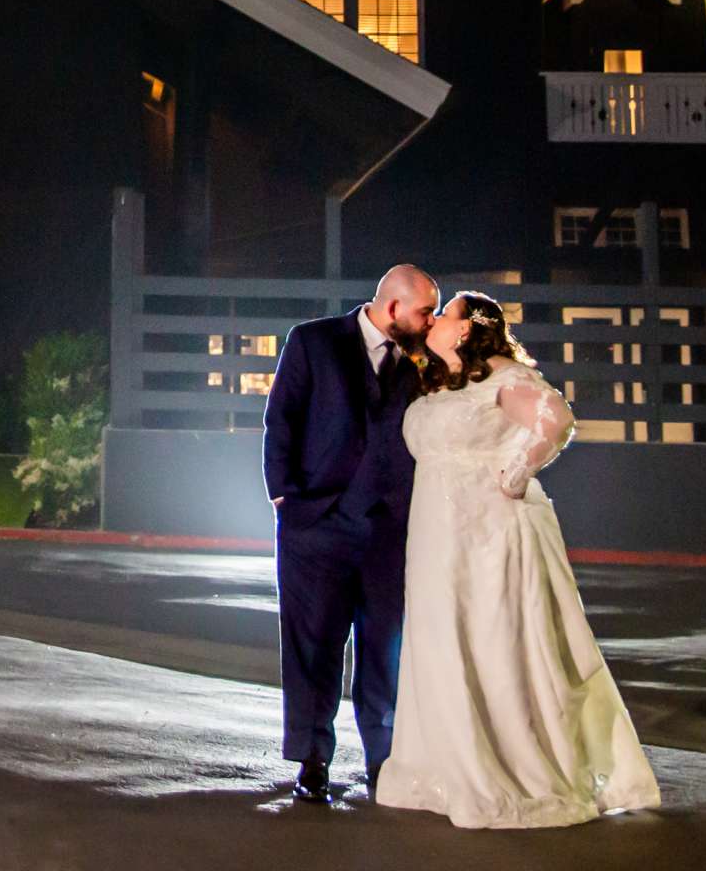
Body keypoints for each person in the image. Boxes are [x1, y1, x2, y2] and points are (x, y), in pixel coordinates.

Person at [374, 290, 661, 827]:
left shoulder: (502, 376)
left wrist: (519, 470)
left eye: (445, 314)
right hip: (436, 535)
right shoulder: (444, 381)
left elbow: (556, 421)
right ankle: (442, 763)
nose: (433, 320)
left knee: (492, 639)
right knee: (442, 639)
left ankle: (514, 764)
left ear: (465, 330)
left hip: (486, 533)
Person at [261, 263, 440, 801]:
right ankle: (312, 757)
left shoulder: (424, 359)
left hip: (391, 531)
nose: (430, 322)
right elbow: (282, 418)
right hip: (316, 525)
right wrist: (285, 497)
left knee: (385, 650)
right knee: (313, 646)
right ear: (392, 307)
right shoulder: (312, 341)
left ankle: (384, 761)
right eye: (425, 310)